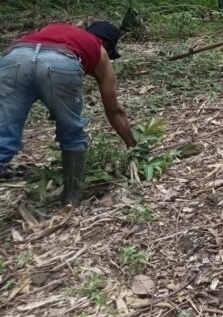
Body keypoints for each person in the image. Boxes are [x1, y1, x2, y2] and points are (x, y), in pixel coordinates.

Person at [0, 22, 136, 205]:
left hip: (15, 56)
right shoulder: (99, 50)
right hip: (60, 62)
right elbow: (114, 110)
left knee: (4, 136)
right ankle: (71, 201)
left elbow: (36, 59)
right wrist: (133, 148)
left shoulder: (58, 29)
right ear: (108, 46)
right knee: (72, 133)